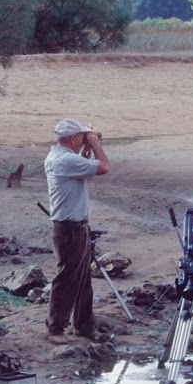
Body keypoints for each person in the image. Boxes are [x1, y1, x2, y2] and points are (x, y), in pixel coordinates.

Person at [44, 119, 110, 340]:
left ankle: (84, 325)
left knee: (82, 279)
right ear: (73, 138)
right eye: (82, 136)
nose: (85, 138)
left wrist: (87, 148)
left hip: (73, 227)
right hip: (70, 228)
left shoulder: (61, 157)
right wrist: (95, 144)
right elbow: (103, 167)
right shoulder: (65, 160)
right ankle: (55, 327)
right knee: (67, 279)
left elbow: (83, 168)